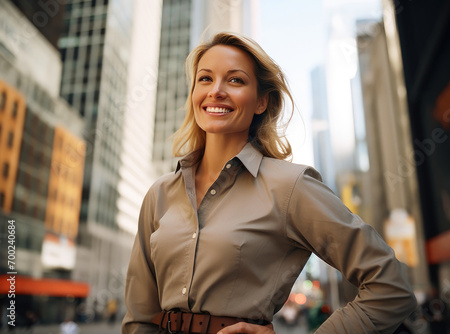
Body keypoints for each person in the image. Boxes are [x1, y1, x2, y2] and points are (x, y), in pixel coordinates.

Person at [122, 32, 416, 334]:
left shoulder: (291, 187)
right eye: (205, 79)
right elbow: (139, 318)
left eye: (235, 80)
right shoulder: (159, 195)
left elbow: (391, 288)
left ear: (261, 101)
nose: (217, 91)